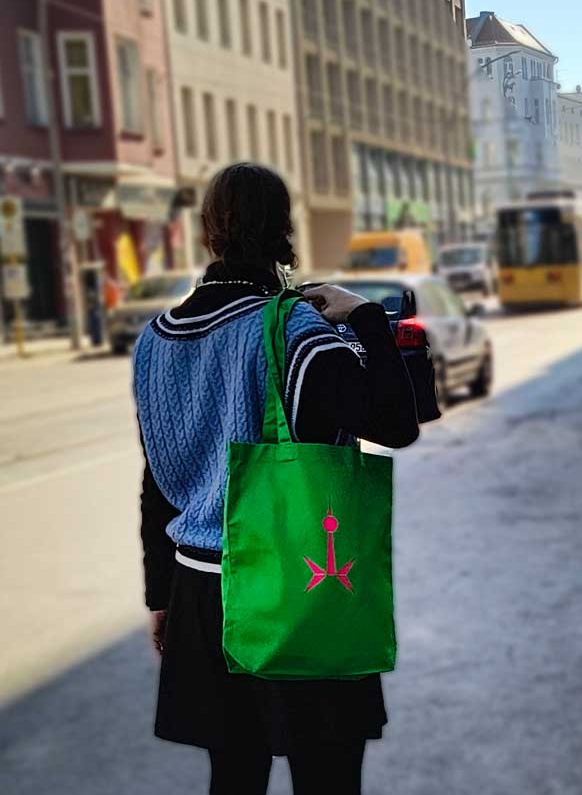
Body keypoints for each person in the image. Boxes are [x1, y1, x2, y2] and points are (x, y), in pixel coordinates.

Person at [133, 163, 420, 795]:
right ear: (284, 232)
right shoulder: (297, 331)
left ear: (210, 233)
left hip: (200, 597)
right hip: (301, 587)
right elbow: (397, 425)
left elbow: (157, 480)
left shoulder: (153, 341)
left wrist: (161, 594)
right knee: (327, 777)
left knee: (233, 777)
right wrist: (368, 318)